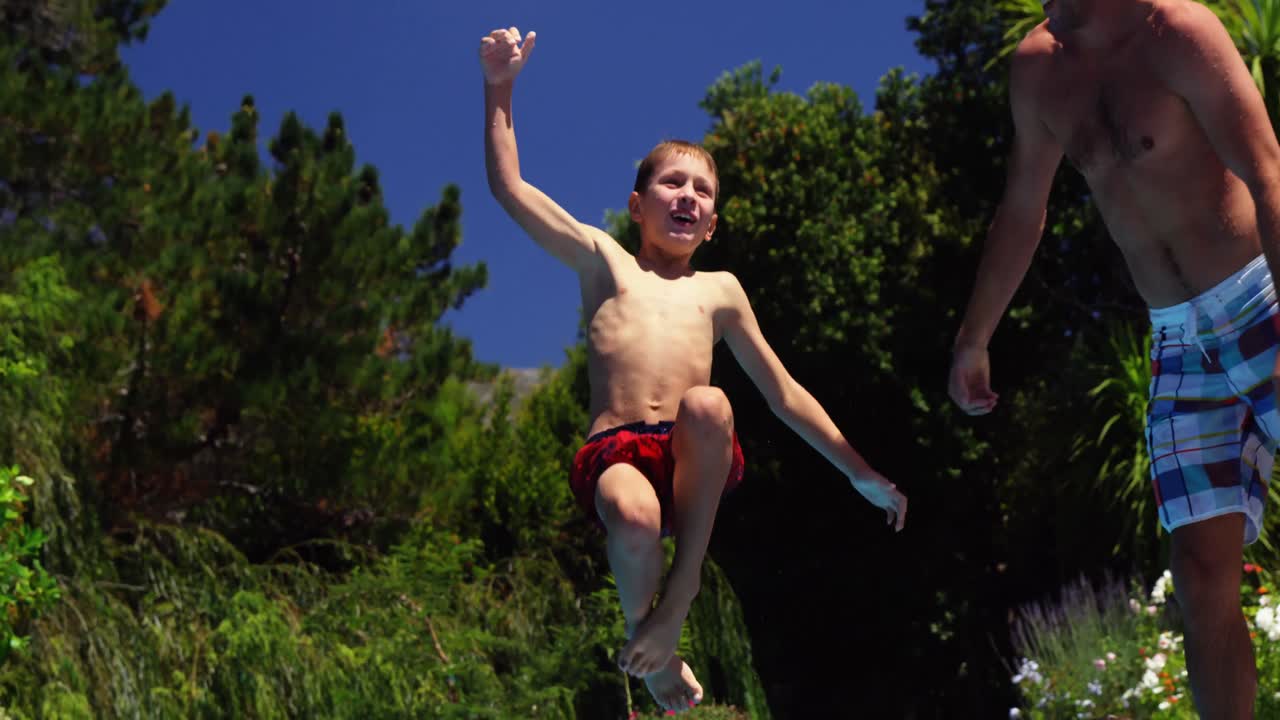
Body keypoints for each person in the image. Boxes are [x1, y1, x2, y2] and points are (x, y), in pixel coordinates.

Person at [479, 25, 908, 713]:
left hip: (691, 460)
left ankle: (682, 592)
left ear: (711, 225)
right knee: (633, 514)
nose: (687, 195)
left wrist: (860, 471)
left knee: (709, 403)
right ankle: (647, 644)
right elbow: (510, 188)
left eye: (702, 191)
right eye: (671, 183)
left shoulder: (720, 291)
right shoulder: (603, 261)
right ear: (637, 206)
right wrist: (500, 86)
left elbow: (783, 392)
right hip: (615, 451)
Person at [948, 1, 1280, 716]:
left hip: (1262, 300)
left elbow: (1268, 172)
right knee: (1197, 573)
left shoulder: (1177, 31)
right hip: (1178, 342)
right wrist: (974, 337)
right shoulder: (1038, 70)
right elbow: (1022, 209)